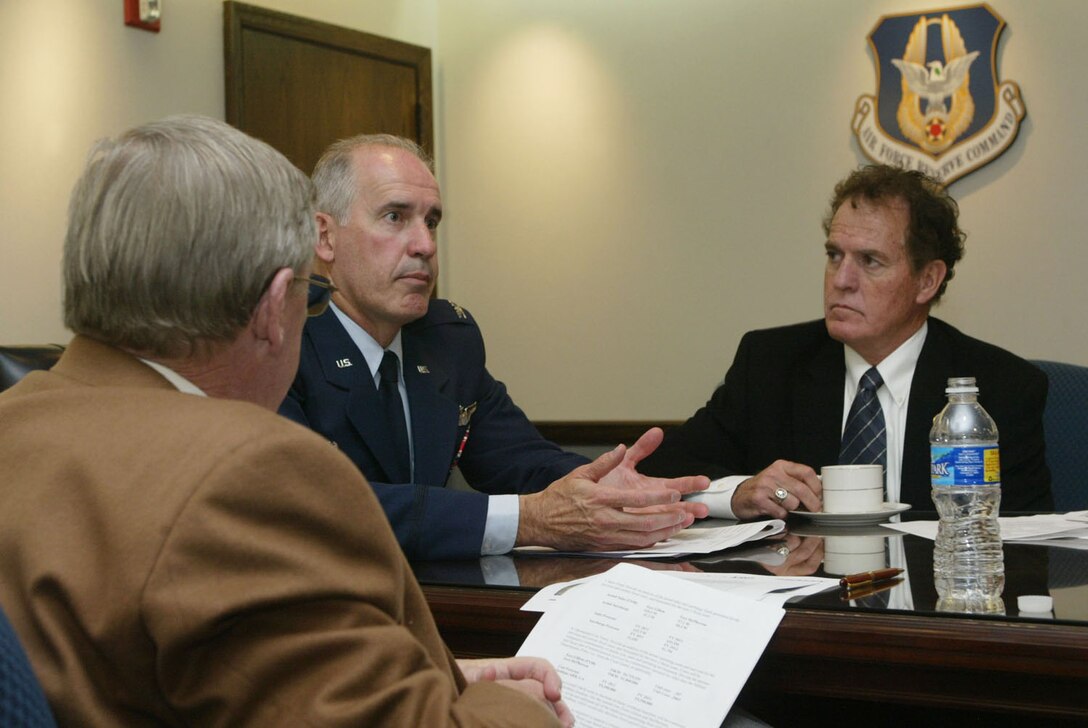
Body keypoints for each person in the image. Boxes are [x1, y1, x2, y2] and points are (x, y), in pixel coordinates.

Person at [0, 115, 573, 727]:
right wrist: (512, 709)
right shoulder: (248, 473)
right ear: (276, 307)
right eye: (313, 295)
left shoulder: (17, 420)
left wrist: (446, 679)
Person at [280, 134, 708, 560]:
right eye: (395, 217)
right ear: (325, 237)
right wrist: (529, 519)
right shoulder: (280, 347)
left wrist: (603, 484)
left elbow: (517, 457)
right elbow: (323, 507)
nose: (425, 245)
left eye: (431, 222)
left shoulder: (447, 338)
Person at [639, 164, 1052, 519]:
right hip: (800, 602)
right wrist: (738, 491)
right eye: (834, 255)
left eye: (870, 261)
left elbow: (1025, 542)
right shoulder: (770, 364)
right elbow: (663, 468)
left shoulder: (1003, 387)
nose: (840, 280)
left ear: (927, 280)